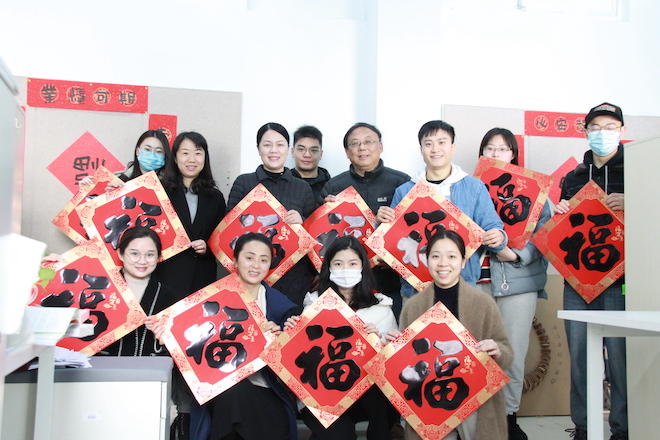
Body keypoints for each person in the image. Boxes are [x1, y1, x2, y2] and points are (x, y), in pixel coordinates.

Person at [387, 230, 513, 440]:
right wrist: (394, 348)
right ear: (427, 260)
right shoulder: (413, 306)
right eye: (435, 256)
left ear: (463, 262)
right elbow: (405, 365)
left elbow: (507, 354)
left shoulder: (483, 303)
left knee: (475, 424)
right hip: (430, 398)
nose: (443, 263)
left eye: (452, 256)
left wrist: (497, 350)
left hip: (475, 396)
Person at [556, 103, 627, 440]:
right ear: (585, 131)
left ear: (622, 131)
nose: (603, 133)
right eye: (596, 127)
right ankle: (584, 426)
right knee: (581, 357)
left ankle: (623, 428)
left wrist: (633, 201)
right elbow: (562, 230)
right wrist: (560, 211)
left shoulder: (638, 171)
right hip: (577, 282)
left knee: (621, 358)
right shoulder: (573, 177)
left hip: (621, 282)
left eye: (610, 127)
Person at [376, 120, 507, 299]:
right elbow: (389, 242)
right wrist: (381, 222)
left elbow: (493, 229)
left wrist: (498, 236)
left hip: (464, 285)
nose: (435, 149)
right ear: (421, 149)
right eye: (428, 144)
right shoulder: (405, 191)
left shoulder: (474, 187)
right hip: (415, 289)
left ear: (453, 147)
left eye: (441, 142)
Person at [477, 128, 552, 440]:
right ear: (481, 153)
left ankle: (508, 416)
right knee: (476, 353)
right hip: (476, 284)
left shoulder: (535, 192)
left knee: (513, 354)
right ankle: (478, 418)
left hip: (518, 283)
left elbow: (545, 236)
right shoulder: (470, 187)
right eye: (490, 148)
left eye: (503, 149)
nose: (496, 154)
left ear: (514, 155)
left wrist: (516, 254)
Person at [285, 236, 398, 440]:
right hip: (320, 392)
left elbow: (391, 365)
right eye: (338, 264)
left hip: (363, 393)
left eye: (352, 263)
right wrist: (291, 333)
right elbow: (300, 356)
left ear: (363, 267)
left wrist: (377, 343)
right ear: (328, 268)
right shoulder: (313, 304)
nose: (346, 269)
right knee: (340, 435)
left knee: (383, 393)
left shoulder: (381, 307)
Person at [156, 131, 226, 440]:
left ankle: (185, 423)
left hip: (200, 285)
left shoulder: (215, 196)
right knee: (164, 353)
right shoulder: (160, 190)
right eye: (185, 152)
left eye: (198, 152)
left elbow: (223, 240)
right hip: (166, 283)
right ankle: (160, 416)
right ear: (175, 157)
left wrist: (208, 246)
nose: (191, 159)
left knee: (191, 354)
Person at [207, 233, 299, 440]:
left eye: (263, 260)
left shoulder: (282, 308)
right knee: (234, 393)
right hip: (223, 388)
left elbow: (292, 368)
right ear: (235, 260)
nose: (256, 265)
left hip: (267, 387)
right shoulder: (210, 301)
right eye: (249, 258)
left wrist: (279, 343)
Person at [320, 122, 410, 317]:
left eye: (368, 141)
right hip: (346, 286)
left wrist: (394, 257)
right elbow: (322, 238)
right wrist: (325, 213)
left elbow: (411, 232)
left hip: (389, 280)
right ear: (347, 152)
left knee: (389, 330)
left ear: (381, 146)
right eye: (355, 143)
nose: (362, 147)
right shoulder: (334, 186)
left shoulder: (401, 182)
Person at [226, 122, 316, 312]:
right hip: (250, 276)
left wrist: (302, 222)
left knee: (288, 325)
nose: (273, 150)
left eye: (280, 144)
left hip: (292, 277)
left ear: (289, 149)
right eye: (267, 144)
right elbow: (227, 230)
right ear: (258, 148)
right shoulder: (244, 182)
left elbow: (314, 235)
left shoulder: (302, 187)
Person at [99, 226, 177, 357]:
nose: (142, 261)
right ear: (121, 254)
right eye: (134, 254)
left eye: (150, 255)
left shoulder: (167, 295)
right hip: (100, 365)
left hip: (150, 367)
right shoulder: (101, 289)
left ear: (158, 257)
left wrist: (167, 338)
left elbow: (176, 348)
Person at [79, 129, 171, 188]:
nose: (152, 155)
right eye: (147, 149)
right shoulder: (118, 180)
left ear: (165, 155)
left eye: (159, 151)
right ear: (138, 151)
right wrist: (87, 188)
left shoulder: (172, 184)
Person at [290, 125, 331, 203]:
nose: (307, 155)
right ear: (292, 152)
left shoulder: (331, 186)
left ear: (321, 154)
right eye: (301, 149)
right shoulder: (282, 184)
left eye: (314, 150)